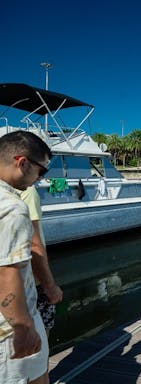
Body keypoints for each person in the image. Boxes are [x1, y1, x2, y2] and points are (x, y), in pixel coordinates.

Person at [0, 130, 52, 384]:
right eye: (41, 171)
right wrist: (22, 328)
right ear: (22, 163)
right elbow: (6, 271)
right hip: (8, 327)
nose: (39, 180)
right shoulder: (12, 206)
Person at [21, 186, 63, 383]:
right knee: (40, 354)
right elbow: (34, 244)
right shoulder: (27, 191)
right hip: (32, 284)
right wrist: (50, 286)